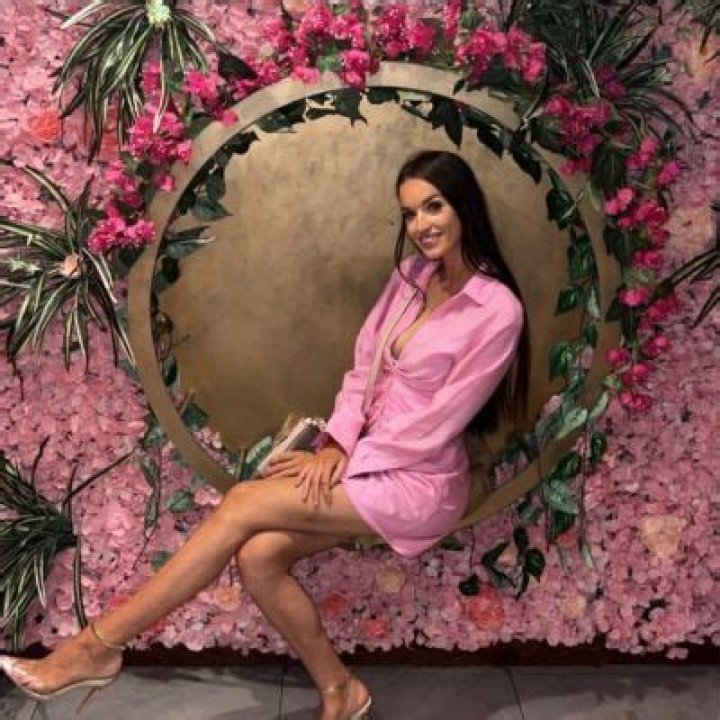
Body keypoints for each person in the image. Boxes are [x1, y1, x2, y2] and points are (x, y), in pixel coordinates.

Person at [0, 150, 530, 720]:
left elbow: (439, 424)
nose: (421, 224)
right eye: (409, 213)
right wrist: (335, 444)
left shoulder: (497, 310)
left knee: (241, 504)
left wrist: (344, 461)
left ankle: (97, 647)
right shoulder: (411, 277)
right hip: (362, 462)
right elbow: (363, 369)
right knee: (258, 557)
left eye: (434, 206)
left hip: (419, 481)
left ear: (463, 205)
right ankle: (341, 691)